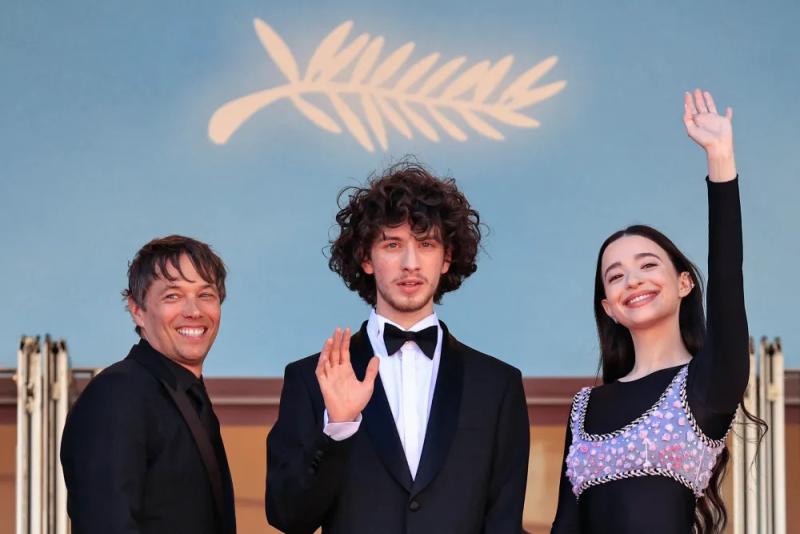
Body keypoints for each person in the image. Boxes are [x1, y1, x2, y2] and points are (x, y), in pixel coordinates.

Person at [266, 162, 530, 533]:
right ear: (365, 258)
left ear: (446, 258)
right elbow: (288, 515)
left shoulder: (497, 385)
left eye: (426, 244)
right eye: (392, 245)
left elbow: (503, 522)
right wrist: (338, 427)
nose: (410, 263)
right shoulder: (311, 378)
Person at [550, 89, 757, 534]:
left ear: (684, 283)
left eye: (647, 265)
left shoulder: (707, 383)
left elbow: (727, 276)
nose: (633, 280)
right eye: (616, 275)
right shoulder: (585, 407)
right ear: (608, 307)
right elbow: (564, 525)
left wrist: (720, 158)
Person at [60, 235, 236, 534]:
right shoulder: (116, 395)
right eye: (173, 296)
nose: (194, 311)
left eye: (205, 294)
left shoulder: (189, 398)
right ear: (137, 310)